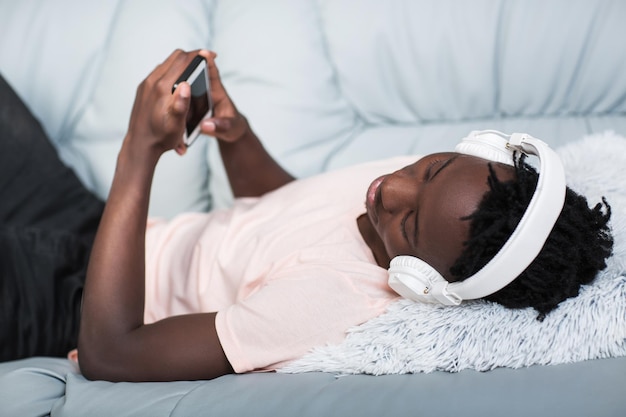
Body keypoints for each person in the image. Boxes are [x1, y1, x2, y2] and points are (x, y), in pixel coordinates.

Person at [0, 50, 613, 382]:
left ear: (424, 282)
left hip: (75, 301)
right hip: (98, 225)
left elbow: (113, 354)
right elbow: (287, 208)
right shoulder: (435, 190)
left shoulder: (330, 303)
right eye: (428, 169)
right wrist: (237, 138)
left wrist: (138, 155)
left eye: (408, 224)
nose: (389, 190)